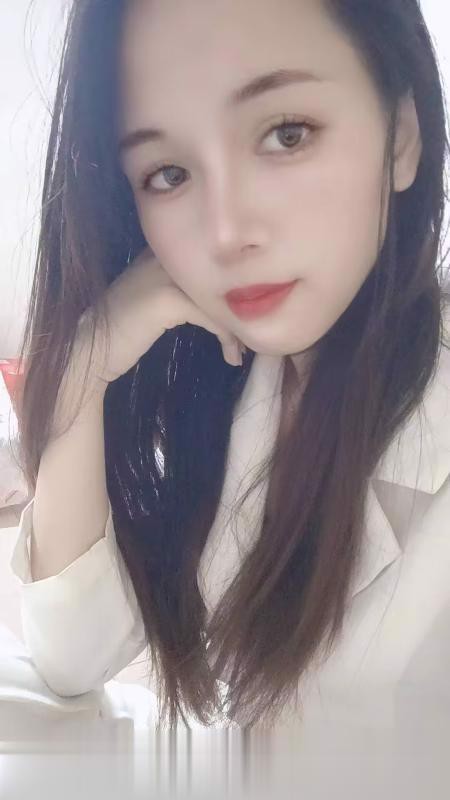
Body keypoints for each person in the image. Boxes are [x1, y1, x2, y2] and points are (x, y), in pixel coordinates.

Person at [9, 0, 450, 732]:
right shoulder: (225, 374)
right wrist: (85, 367)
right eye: (168, 173)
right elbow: (72, 656)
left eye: (286, 133)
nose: (225, 232)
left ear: (401, 135)